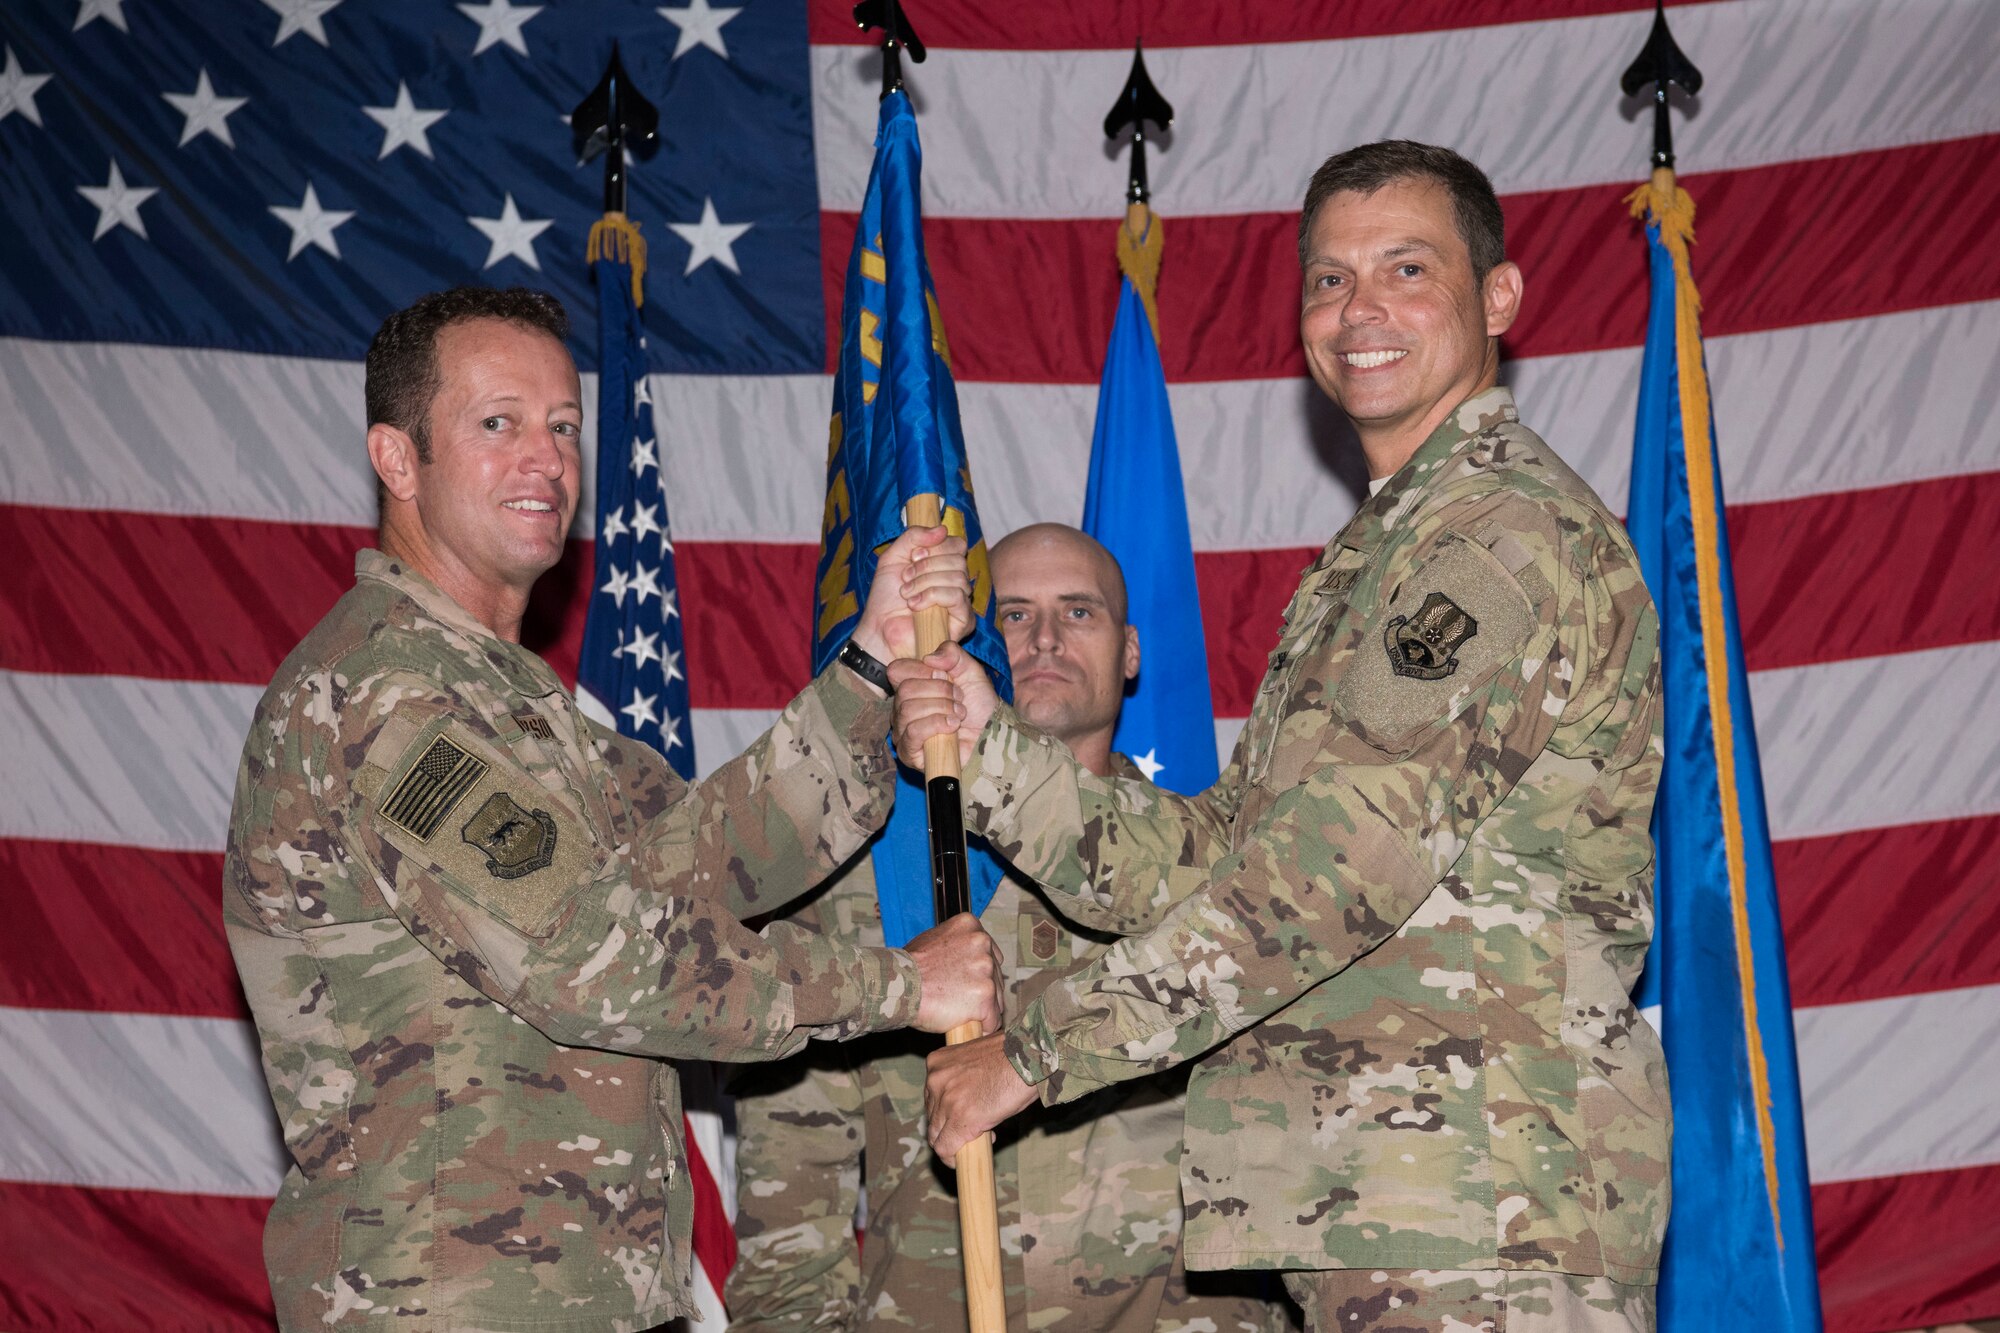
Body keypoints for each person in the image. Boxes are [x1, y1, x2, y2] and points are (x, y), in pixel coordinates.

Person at [902, 141, 1670, 1333]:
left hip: (1484, 1211)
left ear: (1497, 299)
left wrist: (1033, 1053)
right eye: (1327, 279)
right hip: (1378, 1206)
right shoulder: (1373, 562)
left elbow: (1324, 873)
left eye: (1406, 269)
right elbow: (1219, 854)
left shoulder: (1498, 536)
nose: (1359, 310)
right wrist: (990, 748)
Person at [222, 285, 1003, 1333]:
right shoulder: (382, 691)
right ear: (397, 459)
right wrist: (897, 985)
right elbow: (596, 956)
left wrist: (866, 667)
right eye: (496, 423)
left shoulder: (511, 698)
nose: (544, 458)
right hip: (447, 1301)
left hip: (576, 1294)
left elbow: (703, 860)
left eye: (561, 426)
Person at [727, 524, 1288, 1333]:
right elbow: (791, 1194)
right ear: (976, 645)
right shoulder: (875, 888)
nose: (1047, 637)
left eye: (1080, 612)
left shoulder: (1219, 875)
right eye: (1016, 615)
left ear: (1131, 651)